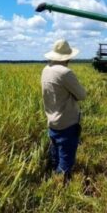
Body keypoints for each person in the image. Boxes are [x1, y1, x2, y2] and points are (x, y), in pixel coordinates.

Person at [41, 39, 86, 182]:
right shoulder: (65, 73)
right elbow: (82, 95)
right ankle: (61, 187)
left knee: (56, 157)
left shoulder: (46, 70)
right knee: (66, 161)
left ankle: (54, 179)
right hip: (67, 122)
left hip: (52, 122)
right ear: (68, 57)